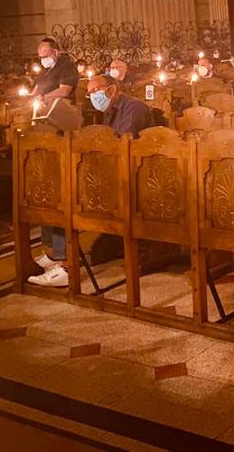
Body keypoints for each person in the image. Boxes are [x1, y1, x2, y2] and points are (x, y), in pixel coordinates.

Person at [29, 75, 152, 288]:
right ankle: (54, 252)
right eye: (89, 92)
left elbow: (122, 145)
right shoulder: (109, 111)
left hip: (132, 175)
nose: (93, 95)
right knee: (52, 191)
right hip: (110, 170)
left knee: (66, 198)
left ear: (112, 89)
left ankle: (65, 265)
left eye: (96, 90)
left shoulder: (134, 108)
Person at [32, 38, 79, 103]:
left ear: (55, 52)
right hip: (40, 105)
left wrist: (44, 97)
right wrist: (30, 97)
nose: (43, 60)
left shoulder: (67, 66)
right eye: (40, 57)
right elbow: (37, 87)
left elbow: (64, 90)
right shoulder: (45, 68)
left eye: (45, 57)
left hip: (60, 106)